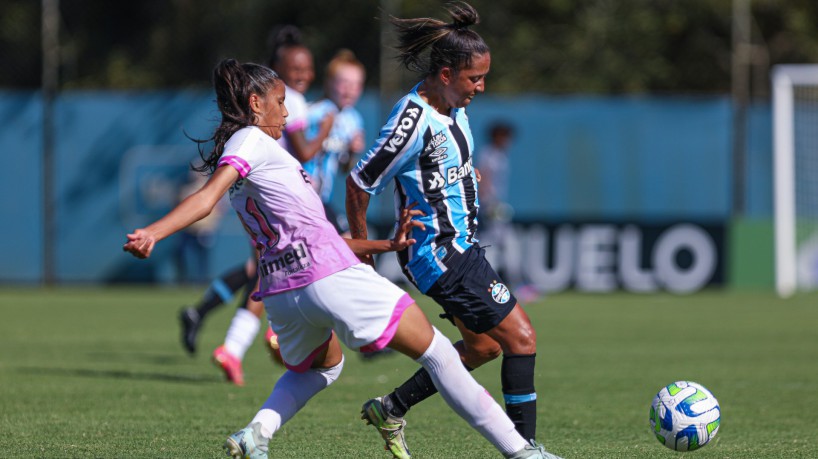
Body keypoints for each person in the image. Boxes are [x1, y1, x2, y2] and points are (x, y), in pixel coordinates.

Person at [123, 58, 557, 459]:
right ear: (255, 105)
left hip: (283, 292)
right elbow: (206, 198)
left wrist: (388, 246)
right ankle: (521, 452)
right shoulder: (251, 139)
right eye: (278, 103)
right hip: (325, 277)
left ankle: (256, 434)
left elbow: (320, 235)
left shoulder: (252, 153)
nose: (287, 114)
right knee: (442, 355)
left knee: (324, 368)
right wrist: (153, 232)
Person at [346, 2, 552, 457]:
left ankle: (391, 407)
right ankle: (525, 449)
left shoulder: (453, 106)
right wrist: (362, 251)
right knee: (522, 338)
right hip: (440, 253)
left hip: (459, 246)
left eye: (483, 77)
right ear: (444, 74)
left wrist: (465, 175)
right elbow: (360, 181)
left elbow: (439, 166)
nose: (480, 87)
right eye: (473, 78)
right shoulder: (411, 120)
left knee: (482, 349)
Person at [183, 25, 336, 386]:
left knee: (264, 270)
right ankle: (286, 333)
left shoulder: (273, 109)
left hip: (280, 202)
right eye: (294, 70)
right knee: (295, 267)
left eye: (306, 69)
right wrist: (327, 129)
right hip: (289, 204)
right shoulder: (274, 117)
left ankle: (241, 342)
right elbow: (303, 151)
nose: (302, 76)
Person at [302, 48, 367, 236]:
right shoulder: (313, 113)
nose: (350, 90)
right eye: (344, 83)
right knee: (347, 243)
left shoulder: (353, 119)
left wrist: (353, 152)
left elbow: (343, 169)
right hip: (304, 195)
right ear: (329, 83)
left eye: (356, 85)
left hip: (321, 198)